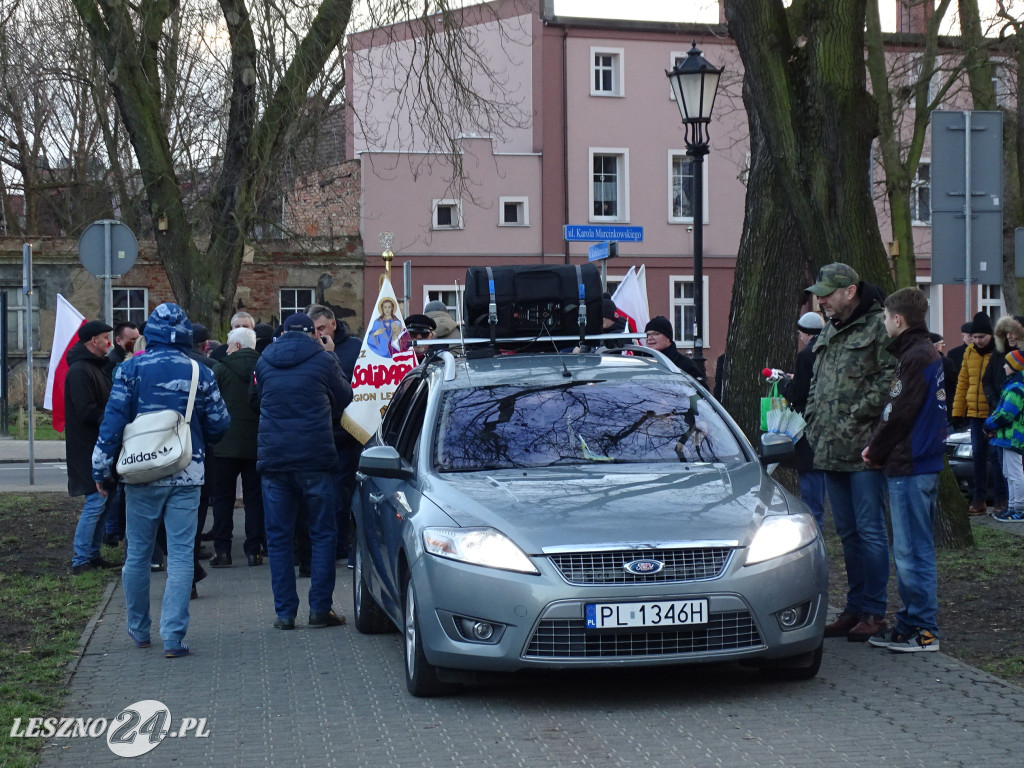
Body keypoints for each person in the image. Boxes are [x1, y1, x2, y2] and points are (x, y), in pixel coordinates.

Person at [92, 303, 230, 658]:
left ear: (148, 335)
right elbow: (220, 423)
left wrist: (101, 469)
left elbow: (112, 422)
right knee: (182, 554)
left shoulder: (129, 369)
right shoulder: (200, 371)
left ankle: (139, 631)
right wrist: (198, 438)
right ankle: (173, 637)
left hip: (141, 473)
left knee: (137, 553)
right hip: (186, 472)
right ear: (185, 335)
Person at [804, 263, 895, 642]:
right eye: (820, 293)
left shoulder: (878, 327)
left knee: (870, 532)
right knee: (847, 534)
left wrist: (858, 413)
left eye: (827, 293)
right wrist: (812, 414)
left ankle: (874, 611)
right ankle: (854, 608)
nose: (821, 300)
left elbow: (891, 378)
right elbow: (817, 379)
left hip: (863, 450)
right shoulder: (830, 328)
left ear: (851, 291)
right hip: (828, 448)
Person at [254, 312, 353, 630]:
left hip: (274, 459)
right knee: (323, 535)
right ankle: (320, 610)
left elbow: (255, 400)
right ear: (314, 334)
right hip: (315, 458)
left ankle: (284, 614)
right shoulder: (324, 360)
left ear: (282, 334)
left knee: (279, 538)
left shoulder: (264, 361)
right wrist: (332, 355)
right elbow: (345, 398)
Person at [861, 287, 946, 653]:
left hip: (911, 465)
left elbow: (898, 412)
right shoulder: (923, 353)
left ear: (898, 319)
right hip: (916, 463)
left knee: (912, 552)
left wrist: (874, 449)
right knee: (912, 549)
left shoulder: (915, 357)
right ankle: (910, 621)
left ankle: (923, 630)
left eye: (884, 318)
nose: (883, 324)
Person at [66, 320, 119, 575]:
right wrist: (113, 418)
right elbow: (86, 411)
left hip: (100, 444)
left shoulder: (96, 367)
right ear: (92, 342)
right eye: (104, 338)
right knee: (96, 501)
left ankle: (93, 554)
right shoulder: (80, 370)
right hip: (87, 446)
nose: (109, 342)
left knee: (105, 501)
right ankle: (80, 560)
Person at [211, 327, 265, 566]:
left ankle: (222, 551)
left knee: (223, 499)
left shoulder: (220, 369)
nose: (227, 348)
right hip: (257, 442)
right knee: (255, 498)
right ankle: (254, 550)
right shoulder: (265, 367)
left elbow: (211, 404)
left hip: (224, 443)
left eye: (230, 345)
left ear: (238, 346)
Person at [780, 311, 827, 529]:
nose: (800, 338)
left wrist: (783, 384)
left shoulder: (806, 355)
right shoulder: (829, 350)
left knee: (810, 480)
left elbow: (798, 394)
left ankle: (814, 527)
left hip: (808, 426)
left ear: (807, 333)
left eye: (800, 333)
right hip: (828, 425)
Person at [951, 311, 996, 515]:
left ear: (991, 336)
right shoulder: (969, 352)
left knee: (996, 457)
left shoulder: (998, 353)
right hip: (975, 414)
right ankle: (979, 500)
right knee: (977, 455)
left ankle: (1002, 499)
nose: (977, 341)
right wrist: (958, 411)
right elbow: (963, 382)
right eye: (975, 337)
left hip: (994, 413)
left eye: (982, 337)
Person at [981, 315, 1024, 513]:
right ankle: (1010, 503)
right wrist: (997, 406)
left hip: (1013, 423)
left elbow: (1014, 403)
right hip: (1002, 417)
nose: (1010, 336)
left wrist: (1001, 414)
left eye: (1013, 332)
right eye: (1006, 332)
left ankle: (1018, 506)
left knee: (1015, 470)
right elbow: (987, 379)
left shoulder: (1018, 383)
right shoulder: (1000, 354)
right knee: (1005, 467)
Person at [643, 316, 705, 384]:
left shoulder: (686, 365)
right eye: (648, 335)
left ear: (668, 337)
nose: (650, 338)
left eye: (655, 334)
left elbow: (700, 390)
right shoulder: (642, 362)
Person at [929, 332, 958, 424]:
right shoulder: (946, 363)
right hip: (945, 405)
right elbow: (954, 383)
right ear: (937, 346)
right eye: (942, 344)